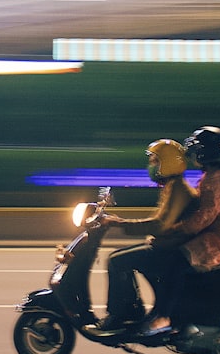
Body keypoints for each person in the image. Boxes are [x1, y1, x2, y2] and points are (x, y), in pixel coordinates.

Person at [139, 125, 220, 336]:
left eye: (196, 149)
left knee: (174, 264)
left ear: (206, 152)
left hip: (219, 241)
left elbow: (203, 217)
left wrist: (173, 230)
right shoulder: (215, 177)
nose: (192, 154)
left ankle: (164, 316)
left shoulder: (214, 180)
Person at [85, 139, 199, 336]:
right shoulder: (174, 186)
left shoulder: (178, 189)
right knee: (121, 257)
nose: (151, 166)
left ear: (168, 163)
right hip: (169, 246)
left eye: (155, 161)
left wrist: (117, 223)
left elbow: (159, 225)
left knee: (117, 260)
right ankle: (131, 310)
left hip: (171, 251)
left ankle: (120, 315)